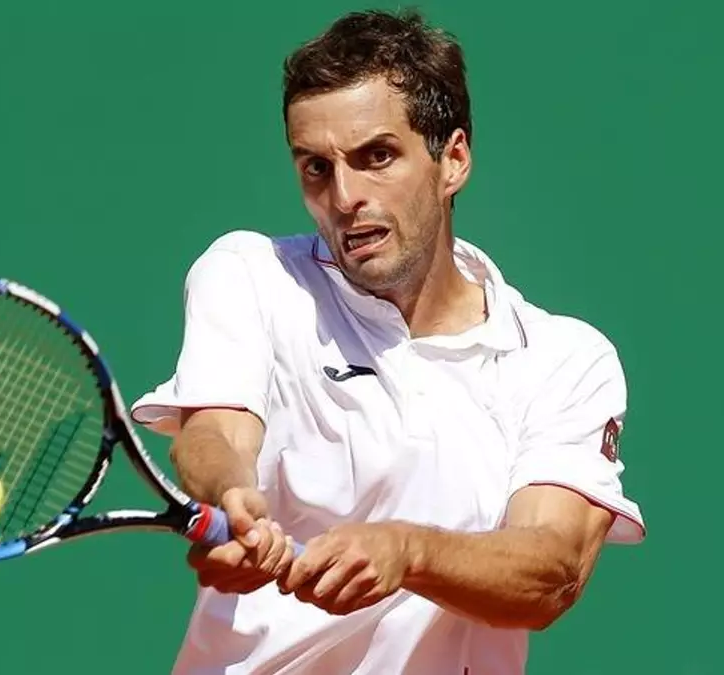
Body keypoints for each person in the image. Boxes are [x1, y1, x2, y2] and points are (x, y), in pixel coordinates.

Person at [129, 8, 646, 675]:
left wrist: (409, 552)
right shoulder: (250, 274)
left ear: (453, 160)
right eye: (316, 167)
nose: (345, 196)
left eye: (377, 157)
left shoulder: (564, 361)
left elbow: (552, 570)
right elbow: (214, 434)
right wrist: (231, 495)